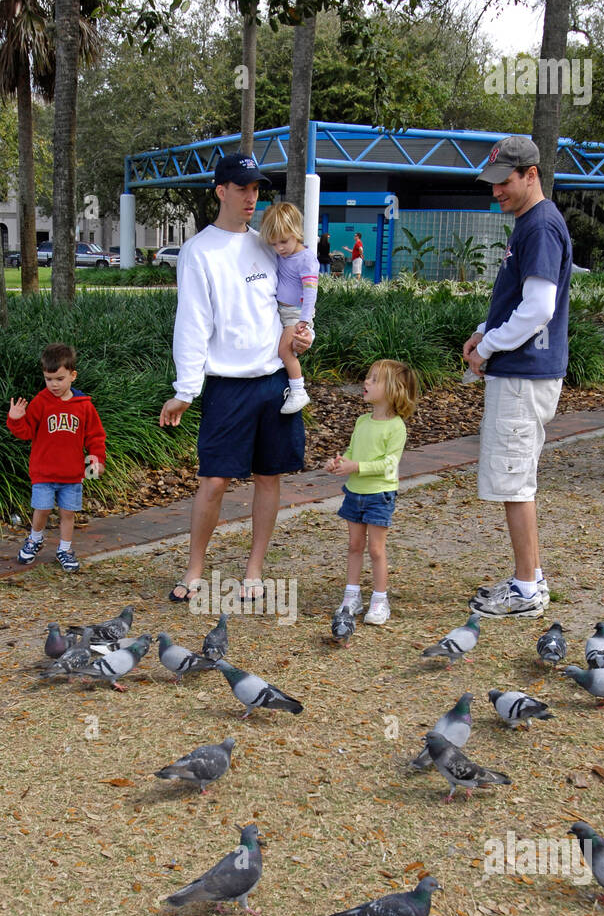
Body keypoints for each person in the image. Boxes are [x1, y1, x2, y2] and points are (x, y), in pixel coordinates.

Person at [158, 152, 313, 604]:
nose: (251, 197)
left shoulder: (268, 242)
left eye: (256, 189)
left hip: (273, 381)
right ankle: (194, 571)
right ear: (221, 190)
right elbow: (192, 324)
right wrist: (186, 389)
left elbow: (293, 300)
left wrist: (304, 334)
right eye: (242, 188)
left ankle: (254, 570)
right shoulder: (198, 251)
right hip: (227, 385)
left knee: (269, 477)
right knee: (215, 481)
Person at [462, 136, 572, 618]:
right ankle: (529, 577)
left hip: (526, 374)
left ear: (531, 174)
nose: (496, 193)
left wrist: (488, 346)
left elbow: (538, 309)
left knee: (515, 481)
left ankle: (528, 589)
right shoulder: (530, 222)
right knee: (515, 477)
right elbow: (518, 301)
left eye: (504, 182)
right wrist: (484, 330)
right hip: (523, 370)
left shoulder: (541, 225)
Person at [324, 359, 414, 625]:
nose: (366, 382)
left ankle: (379, 599)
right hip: (354, 493)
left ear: (393, 389)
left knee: (376, 550)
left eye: (374, 379)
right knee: (354, 546)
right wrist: (340, 463)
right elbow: (353, 452)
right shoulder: (362, 421)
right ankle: (351, 596)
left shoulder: (396, 427)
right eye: (368, 377)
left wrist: (357, 467)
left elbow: (389, 465)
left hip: (379, 496)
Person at [7, 343, 106, 572]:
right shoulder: (41, 402)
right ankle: (35, 539)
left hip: (72, 474)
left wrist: (96, 458)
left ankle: (65, 548)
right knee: (41, 509)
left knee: (67, 513)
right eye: (48, 379)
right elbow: (26, 432)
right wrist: (15, 419)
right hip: (43, 472)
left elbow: (95, 435)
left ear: (73, 376)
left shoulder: (84, 407)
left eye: (59, 379)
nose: (53, 385)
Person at [258, 201, 319, 415]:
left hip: (295, 313)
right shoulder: (285, 254)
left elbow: (311, 291)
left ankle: (298, 390)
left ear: (296, 232)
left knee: (284, 350)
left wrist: (304, 319)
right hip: (282, 311)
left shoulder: (306, 259)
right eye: (274, 244)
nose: (279, 248)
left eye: (283, 241)